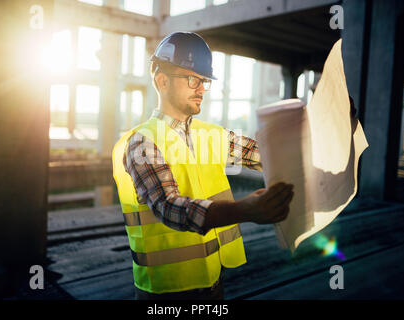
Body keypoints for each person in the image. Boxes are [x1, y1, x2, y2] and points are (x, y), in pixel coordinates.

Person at [112, 31, 294, 300]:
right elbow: (168, 207)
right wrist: (244, 210)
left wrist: (325, 127)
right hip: (166, 293)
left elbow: (266, 154)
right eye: (192, 79)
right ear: (162, 81)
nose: (201, 89)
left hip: (214, 283)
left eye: (203, 81)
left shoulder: (210, 135)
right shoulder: (142, 143)